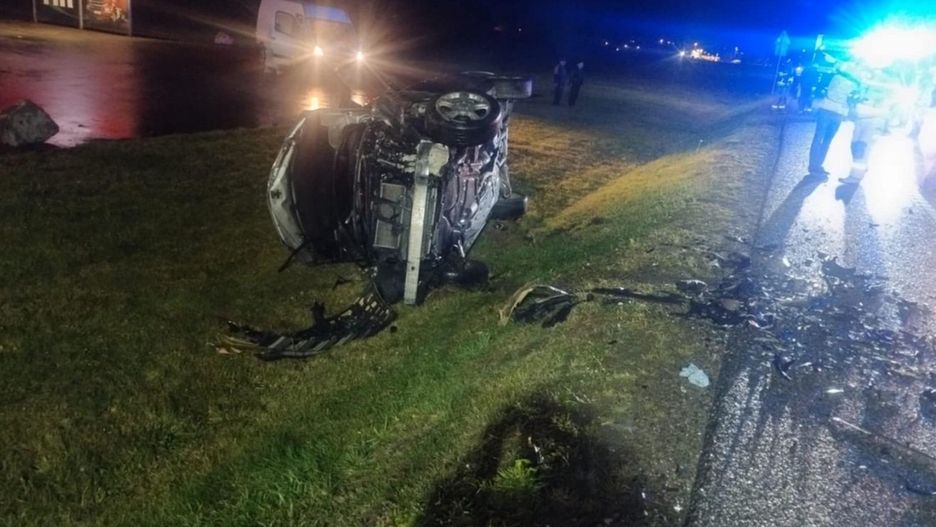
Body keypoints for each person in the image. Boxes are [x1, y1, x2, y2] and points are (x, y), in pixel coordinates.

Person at [808, 59, 859, 176]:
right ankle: (817, 165)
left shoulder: (835, 77)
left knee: (819, 138)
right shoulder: (852, 84)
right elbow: (852, 99)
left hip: (827, 109)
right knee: (826, 139)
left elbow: (823, 88)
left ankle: (815, 165)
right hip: (837, 112)